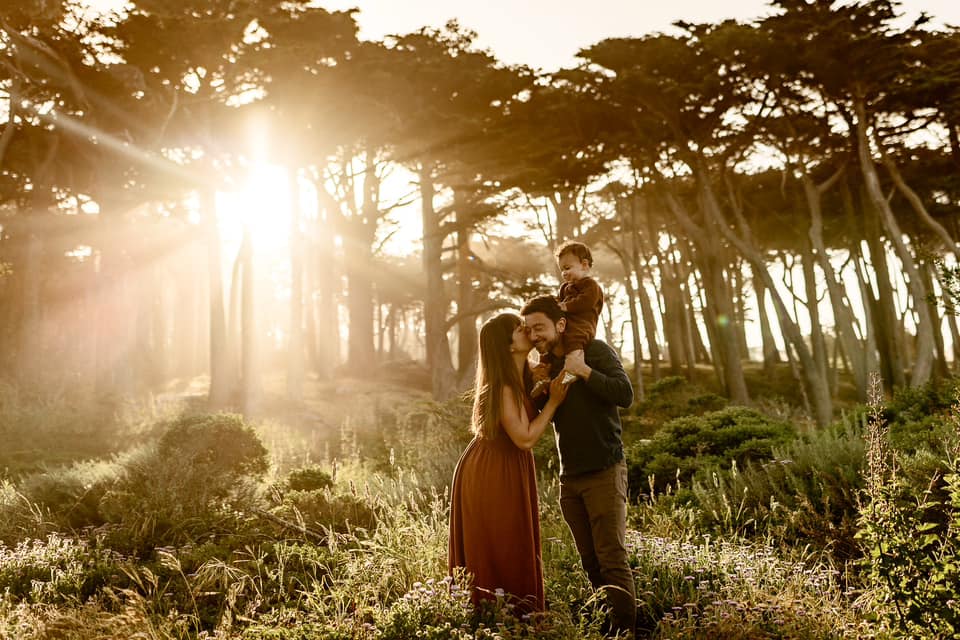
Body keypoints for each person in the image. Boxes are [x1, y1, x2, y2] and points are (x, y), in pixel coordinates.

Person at [521, 295, 637, 636]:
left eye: (539, 327)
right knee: (590, 563)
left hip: (604, 470)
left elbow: (625, 394)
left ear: (560, 324)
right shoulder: (543, 366)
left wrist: (583, 371)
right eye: (529, 330)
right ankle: (608, 628)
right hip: (568, 478)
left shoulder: (594, 350)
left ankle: (626, 633)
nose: (535, 335)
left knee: (612, 559)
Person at [448, 313, 570, 614]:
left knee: (511, 543)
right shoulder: (503, 387)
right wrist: (553, 402)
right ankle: (499, 617)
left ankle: (512, 618)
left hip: (503, 466)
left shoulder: (524, 373)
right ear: (508, 346)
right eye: (519, 328)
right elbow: (525, 439)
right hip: (491, 472)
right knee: (501, 545)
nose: (526, 329)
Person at [532, 241, 604, 396]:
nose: (564, 273)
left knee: (573, 341)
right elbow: (558, 304)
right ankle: (542, 374)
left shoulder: (591, 285)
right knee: (550, 343)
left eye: (567, 268)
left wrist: (566, 306)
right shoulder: (564, 288)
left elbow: (586, 301)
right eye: (561, 270)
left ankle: (571, 371)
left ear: (584, 265)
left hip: (582, 325)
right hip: (566, 324)